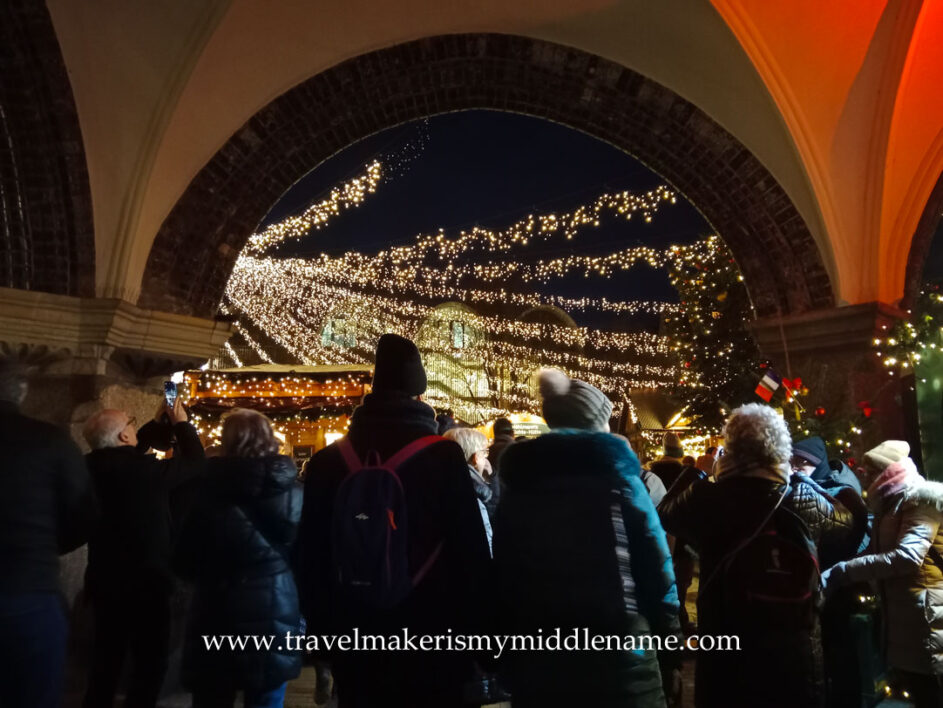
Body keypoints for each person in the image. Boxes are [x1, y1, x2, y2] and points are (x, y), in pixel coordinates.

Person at [295, 334, 491, 708]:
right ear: (419, 391)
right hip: (435, 635)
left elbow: (312, 557)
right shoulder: (444, 458)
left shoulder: (327, 463)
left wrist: (322, 640)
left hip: (356, 634)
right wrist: (485, 641)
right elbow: (472, 555)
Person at [494, 368, 680, 707]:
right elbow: (656, 569)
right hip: (621, 657)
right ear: (597, 424)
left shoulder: (521, 487)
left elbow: (504, 576)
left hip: (543, 655)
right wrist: (670, 645)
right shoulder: (621, 482)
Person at [659, 403, 854, 707]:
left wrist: (696, 470)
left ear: (731, 446)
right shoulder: (802, 497)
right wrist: (800, 479)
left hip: (729, 652)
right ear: (781, 448)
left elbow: (665, 515)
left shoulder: (706, 497)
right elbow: (848, 522)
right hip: (795, 653)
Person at [172, 408, 302, 708]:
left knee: (213, 695)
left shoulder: (203, 492)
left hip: (216, 609)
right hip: (275, 605)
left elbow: (184, 560)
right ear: (270, 438)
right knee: (266, 696)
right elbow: (303, 554)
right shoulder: (294, 492)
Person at [81, 397, 205, 708]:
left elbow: (123, 455)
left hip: (104, 579)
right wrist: (182, 424)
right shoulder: (144, 471)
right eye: (131, 423)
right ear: (124, 436)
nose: (133, 427)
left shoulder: (87, 468)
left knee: (105, 662)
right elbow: (195, 462)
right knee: (150, 663)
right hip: (147, 582)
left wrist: (150, 426)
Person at [0, 361, 97, 708]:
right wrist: (45, 546)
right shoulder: (50, 442)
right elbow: (84, 517)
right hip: (29, 590)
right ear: (21, 393)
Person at [823, 441, 943, 708]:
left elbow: (907, 557)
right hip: (910, 620)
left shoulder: (922, 499)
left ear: (887, 471)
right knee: (922, 694)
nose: (864, 476)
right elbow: (880, 554)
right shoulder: (889, 506)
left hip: (930, 617)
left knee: (932, 694)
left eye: (869, 470)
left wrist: (845, 570)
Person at [792, 436, 870, 708]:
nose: (798, 466)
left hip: (837, 587)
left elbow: (850, 535)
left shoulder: (843, 493)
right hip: (809, 587)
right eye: (794, 460)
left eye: (805, 462)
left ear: (819, 464)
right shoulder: (796, 489)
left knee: (841, 657)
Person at [443, 427, 494, 553]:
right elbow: (486, 548)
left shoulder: (439, 484)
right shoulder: (473, 498)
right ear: (476, 457)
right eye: (485, 452)